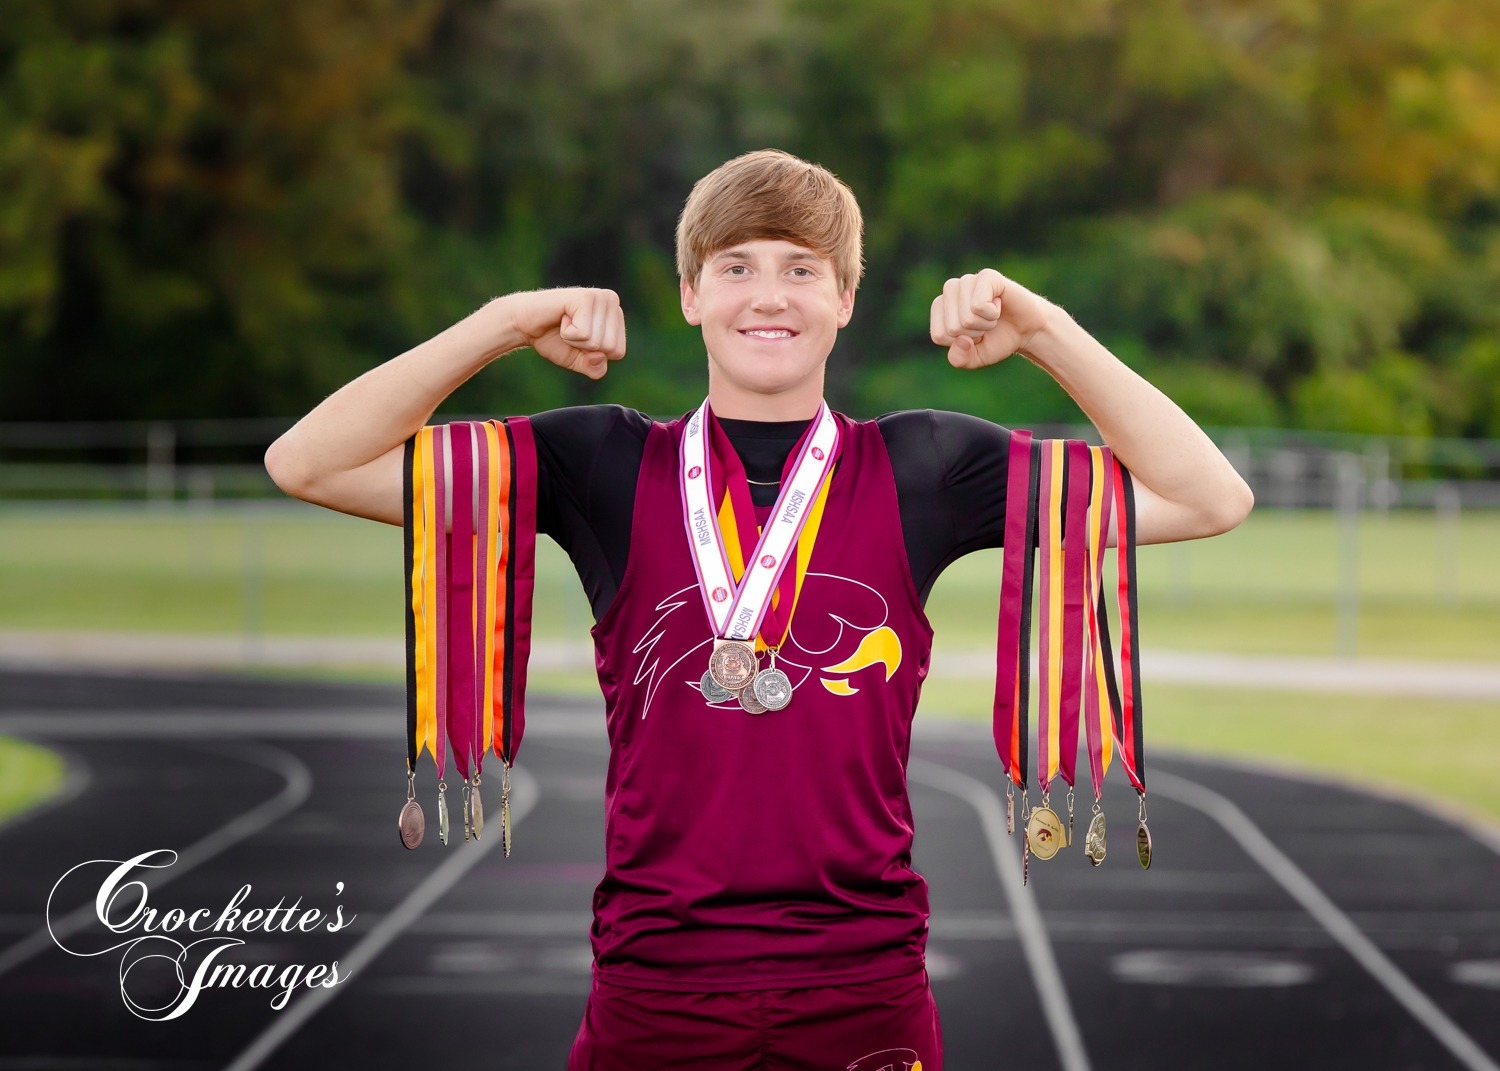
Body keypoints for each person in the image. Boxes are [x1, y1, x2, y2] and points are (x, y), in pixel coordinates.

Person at [266, 149, 1252, 1070]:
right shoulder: (604, 463)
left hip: (864, 982)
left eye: (801, 269)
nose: (769, 295)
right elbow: (309, 463)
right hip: (657, 983)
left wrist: (1043, 332)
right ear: (690, 295)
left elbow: (1210, 499)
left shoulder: (923, 466)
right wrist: (504, 324)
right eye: (735, 267)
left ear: (845, 299)